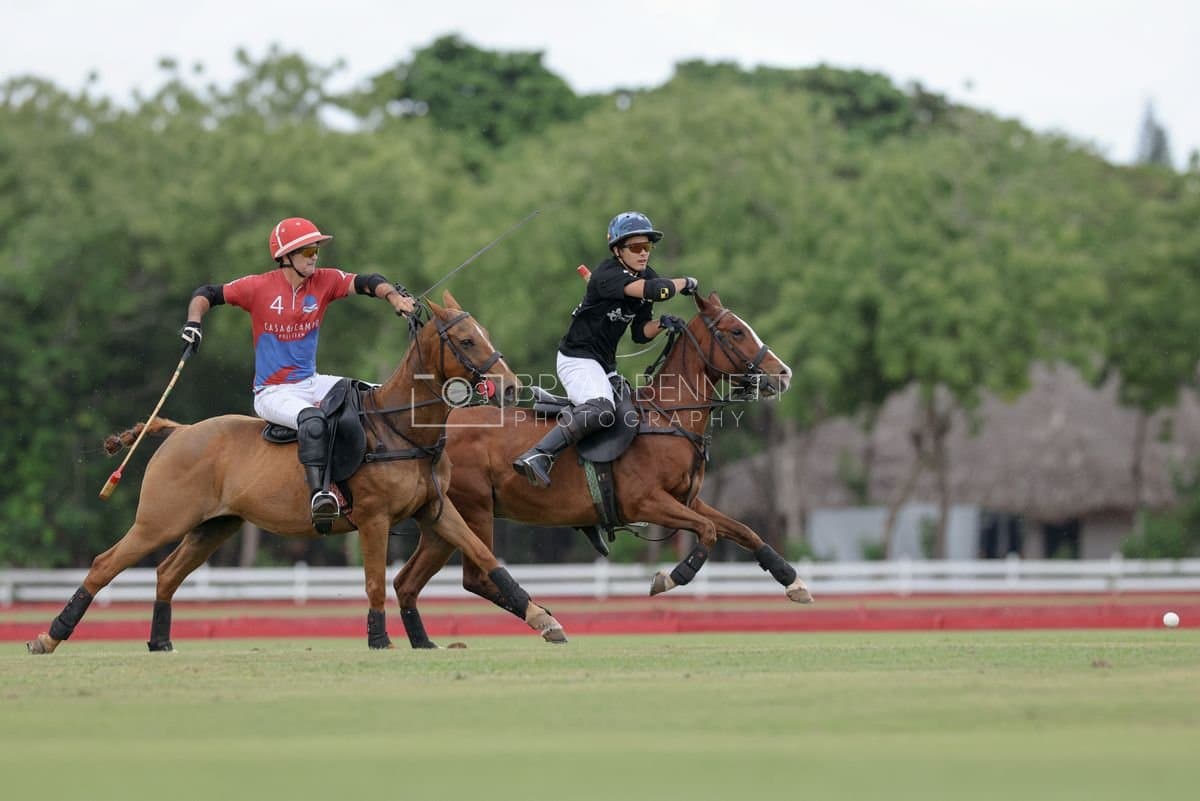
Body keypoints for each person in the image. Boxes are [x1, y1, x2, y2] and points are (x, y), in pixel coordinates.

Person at [181, 217, 416, 531]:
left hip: (310, 382)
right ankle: (320, 495)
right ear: (285, 257)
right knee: (313, 420)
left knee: (378, 398)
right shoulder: (257, 287)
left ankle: (388, 482)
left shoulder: (325, 281)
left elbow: (367, 281)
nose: (314, 256)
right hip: (273, 391)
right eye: (306, 251)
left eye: (315, 249)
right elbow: (206, 293)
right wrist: (194, 323)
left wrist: (394, 298)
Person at [512, 210, 699, 489]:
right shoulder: (606, 275)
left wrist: (661, 323)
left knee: (633, 418)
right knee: (601, 409)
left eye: (646, 247)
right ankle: (538, 455)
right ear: (617, 250)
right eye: (635, 247)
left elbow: (639, 332)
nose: (643, 253)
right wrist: (685, 282)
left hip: (604, 366)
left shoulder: (647, 277)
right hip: (576, 358)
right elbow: (656, 291)